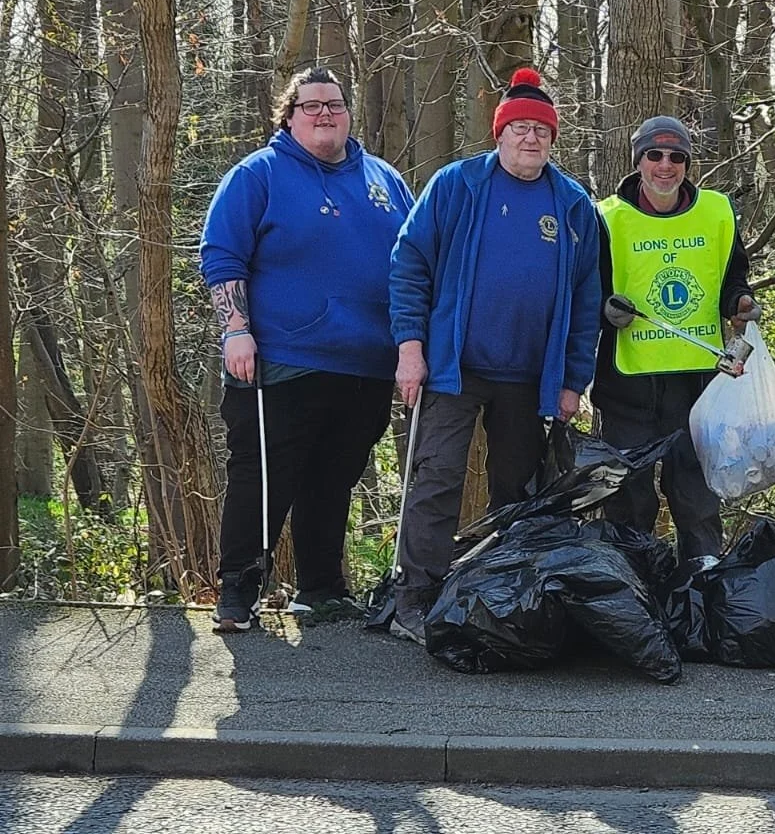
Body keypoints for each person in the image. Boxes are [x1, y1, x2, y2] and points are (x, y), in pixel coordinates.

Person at [387, 67, 602, 644]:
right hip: (453, 366)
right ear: (498, 134)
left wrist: (573, 382)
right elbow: (410, 265)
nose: (530, 138)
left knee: (519, 489)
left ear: (553, 139)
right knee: (435, 478)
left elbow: (587, 300)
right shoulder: (456, 186)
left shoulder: (574, 205)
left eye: (541, 130)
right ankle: (415, 598)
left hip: (532, 377)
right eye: (519, 129)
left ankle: (502, 596)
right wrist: (411, 348)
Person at [200, 66, 415, 632]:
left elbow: (416, 265)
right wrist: (235, 329)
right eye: (312, 105)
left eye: (335, 104)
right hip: (281, 361)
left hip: (367, 363)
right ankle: (238, 593)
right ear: (289, 116)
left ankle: (321, 589)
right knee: (264, 477)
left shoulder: (384, 180)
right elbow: (222, 255)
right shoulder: (259, 175)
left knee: (334, 478)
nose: (325, 114)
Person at [595, 115, 759, 561]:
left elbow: (732, 278)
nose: (664, 166)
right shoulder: (606, 218)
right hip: (627, 390)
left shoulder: (717, 212)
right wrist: (604, 310)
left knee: (697, 502)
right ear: (638, 161)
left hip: (697, 391)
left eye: (676, 157)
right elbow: (586, 291)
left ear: (688, 164)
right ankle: (632, 600)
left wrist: (741, 303)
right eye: (654, 155)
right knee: (628, 502)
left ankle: (702, 595)